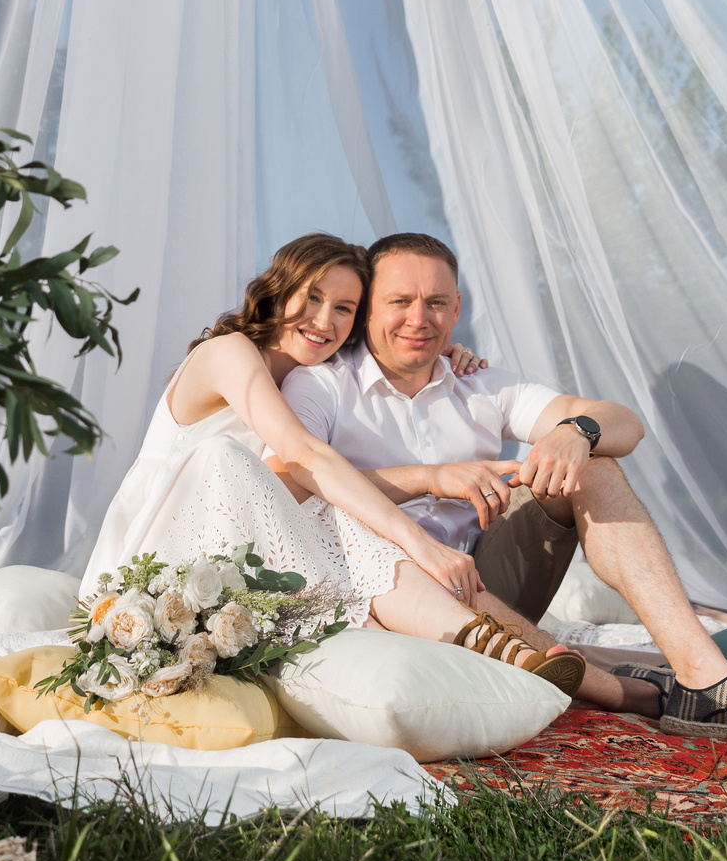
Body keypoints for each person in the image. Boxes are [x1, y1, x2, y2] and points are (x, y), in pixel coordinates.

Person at [279, 232, 727, 753]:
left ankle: (706, 681)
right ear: (369, 307)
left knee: (594, 465)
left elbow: (626, 424)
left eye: (437, 303)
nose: (419, 319)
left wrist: (578, 433)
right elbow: (286, 485)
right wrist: (431, 476)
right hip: (383, 595)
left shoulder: (481, 383)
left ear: (457, 308)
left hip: (488, 580)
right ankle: (633, 684)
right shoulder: (321, 383)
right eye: (400, 301)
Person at [79, 233, 590, 692]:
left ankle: (493, 649)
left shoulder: (304, 378)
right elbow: (302, 456)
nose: (325, 321)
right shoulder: (229, 353)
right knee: (292, 488)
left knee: (327, 505)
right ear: (276, 292)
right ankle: (474, 642)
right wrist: (420, 541)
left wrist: (442, 352)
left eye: (345, 308)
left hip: (234, 551)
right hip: (158, 550)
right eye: (314, 297)